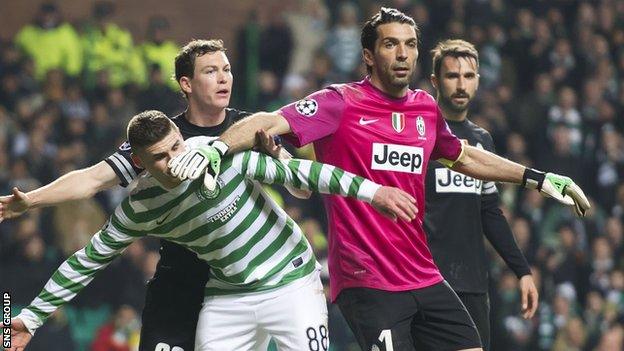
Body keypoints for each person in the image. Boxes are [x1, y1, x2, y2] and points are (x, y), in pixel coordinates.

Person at [170, 8, 590, 351]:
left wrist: (537, 178)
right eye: (391, 44)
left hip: (424, 275)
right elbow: (268, 121)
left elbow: (463, 156)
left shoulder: (425, 108)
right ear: (369, 54)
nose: (403, 54)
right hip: (366, 280)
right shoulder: (340, 102)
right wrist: (217, 148)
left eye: (410, 45)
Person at [7, 110, 417, 351]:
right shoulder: (140, 208)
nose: (173, 162)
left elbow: (300, 171)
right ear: (138, 162)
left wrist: (374, 191)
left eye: (176, 148)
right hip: (228, 296)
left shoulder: (221, 156)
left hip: (290, 280)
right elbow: (86, 261)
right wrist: (31, 318)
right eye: (159, 158)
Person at [0, 39, 301, 351]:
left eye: (226, 69)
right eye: (211, 71)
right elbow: (91, 179)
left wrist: (279, 156)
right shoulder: (162, 139)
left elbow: (301, 189)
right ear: (187, 83)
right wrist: (30, 201)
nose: (224, 77)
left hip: (237, 286)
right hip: (178, 286)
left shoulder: (248, 127)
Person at [424, 39, 538, 351]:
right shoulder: (418, 134)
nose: (461, 85)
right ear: (435, 81)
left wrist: (522, 271)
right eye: (452, 76)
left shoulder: (481, 141)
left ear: (477, 81)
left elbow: (490, 212)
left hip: (472, 284)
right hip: (424, 280)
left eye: (468, 76)